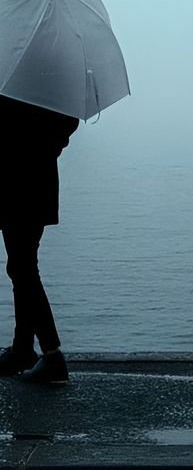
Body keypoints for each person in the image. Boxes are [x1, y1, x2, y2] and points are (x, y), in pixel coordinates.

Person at [0, 94, 79, 383]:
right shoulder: (44, 82)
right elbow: (67, 123)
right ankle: (23, 348)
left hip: (24, 181)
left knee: (22, 267)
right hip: (26, 181)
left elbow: (64, 125)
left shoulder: (25, 80)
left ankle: (52, 354)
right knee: (20, 265)